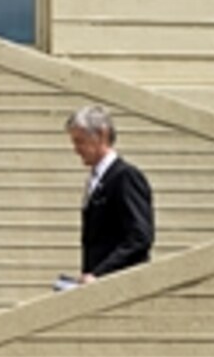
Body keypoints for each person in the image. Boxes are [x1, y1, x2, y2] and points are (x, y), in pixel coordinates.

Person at [65, 104, 155, 283]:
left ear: (101, 135)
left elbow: (140, 238)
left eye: (80, 141)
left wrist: (100, 274)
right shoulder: (96, 179)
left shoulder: (125, 177)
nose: (76, 149)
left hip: (122, 285)